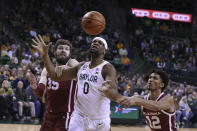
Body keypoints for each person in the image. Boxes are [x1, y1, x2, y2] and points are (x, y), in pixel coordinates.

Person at [32, 35, 124, 131]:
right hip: (75, 117)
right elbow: (53, 78)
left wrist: (109, 91)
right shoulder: (80, 66)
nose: (96, 43)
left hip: (92, 118)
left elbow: (113, 93)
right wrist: (45, 56)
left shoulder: (105, 67)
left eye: (100, 43)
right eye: (94, 42)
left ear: (104, 50)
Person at [30, 38, 78, 131]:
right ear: (55, 52)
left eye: (66, 49)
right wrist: (35, 87)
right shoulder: (47, 69)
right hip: (48, 116)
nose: (63, 50)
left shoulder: (73, 64)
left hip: (66, 116)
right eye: (60, 48)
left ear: (70, 54)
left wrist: (67, 69)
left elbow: (78, 68)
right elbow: (39, 93)